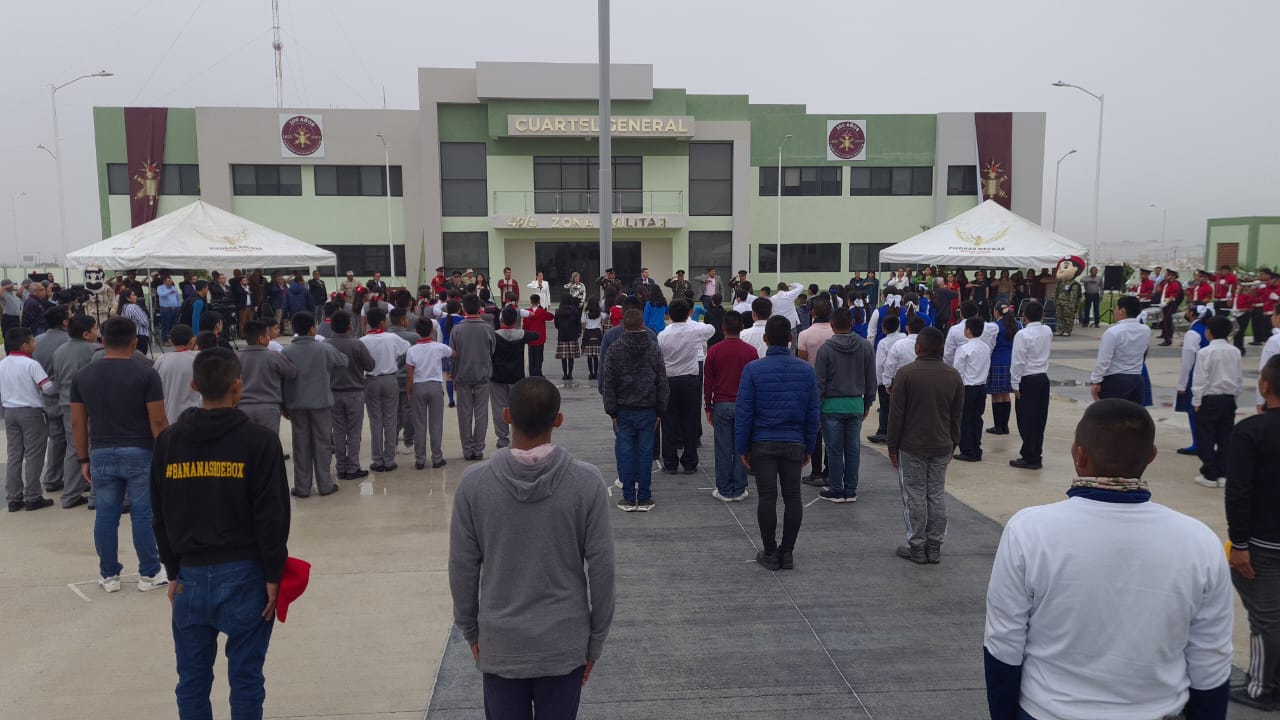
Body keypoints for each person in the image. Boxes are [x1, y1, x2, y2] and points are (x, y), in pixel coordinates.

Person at [984, 399, 1232, 720]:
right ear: (1152, 456)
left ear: (1079, 455)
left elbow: (1004, 642)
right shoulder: (1199, 541)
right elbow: (1211, 659)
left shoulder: (1029, 530)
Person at [449, 377, 614, 719]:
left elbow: (462, 568)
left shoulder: (474, 485)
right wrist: (595, 640)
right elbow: (602, 570)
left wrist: (471, 630)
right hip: (563, 642)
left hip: (501, 642)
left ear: (506, 415)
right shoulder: (586, 483)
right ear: (559, 420)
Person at [151, 347, 291, 719]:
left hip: (190, 575)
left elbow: (160, 513)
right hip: (246, 574)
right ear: (238, 386)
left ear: (195, 386)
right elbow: (272, 516)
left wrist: (173, 570)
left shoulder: (169, 442)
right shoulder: (261, 441)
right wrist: (273, 575)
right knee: (246, 677)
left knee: (192, 680)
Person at [70, 316, 169, 592]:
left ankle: (108, 574)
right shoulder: (146, 374)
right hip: (140, 451)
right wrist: (167, 453)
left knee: (105, 515)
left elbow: (78, 423)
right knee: (143, 514)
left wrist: (83, 458)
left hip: (101, 451)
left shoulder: (83, 376)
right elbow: (158, 421)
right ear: (134, 342)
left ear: (102, 341)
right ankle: (150, 572)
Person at [736, 316, 819, 570]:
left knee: (767, 497)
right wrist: (809, 446)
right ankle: (788, 552)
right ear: (791, 338)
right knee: (793, 497)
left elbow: (744, 412)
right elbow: (813, 412)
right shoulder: (806, 371)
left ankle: (770, 552)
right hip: (794, 441)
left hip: (762, 441)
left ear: (765, 339)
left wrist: (742, 447)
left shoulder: (753, 370)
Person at [1226, 354, 1280, 709]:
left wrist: (1240, 543)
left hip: (1263, 541)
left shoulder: (1251, 431)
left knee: (1266, 619)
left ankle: (1261, 688)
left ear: (1264, 385)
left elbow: (1239, 491)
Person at [886, 327, 962, 564]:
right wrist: (954, 442)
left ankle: (917, 545)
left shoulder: (906, 374)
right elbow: (957, 415)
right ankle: (934, 546)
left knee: (915, 494)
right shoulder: (953, 375)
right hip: (942, 444)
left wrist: (892, 445)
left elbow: (895, 415)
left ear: (918, 347)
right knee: (936, 494)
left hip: (912, 445)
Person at [601, 308, 668, 512]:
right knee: (646, 454)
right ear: (642, 325)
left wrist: (612, 411)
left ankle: (629, 497)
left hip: (623, 410)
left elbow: (608, 383)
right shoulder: (654, 348)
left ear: (623, 325)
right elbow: (662, 381)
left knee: (626, 453)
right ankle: (645, 496)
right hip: (648, 409)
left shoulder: (614, 350)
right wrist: (661, 411)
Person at [814, 307, 877, 503]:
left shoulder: (825, 350)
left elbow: (819, 383)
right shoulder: (865, 347)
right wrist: (867, 402)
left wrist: (817, 408)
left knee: (834, 450)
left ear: (831, 325)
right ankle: (851, 490)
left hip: (831, 406)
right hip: (855, 404)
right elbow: (871, 379)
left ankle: (836, 489)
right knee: (853, 449)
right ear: (852, 323)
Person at [281, 312, 347, 498]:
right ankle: (325, 484)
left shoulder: (286, 352)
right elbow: (343, 361)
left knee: (300, 445)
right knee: (323, 444)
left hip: (296, 404)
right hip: (321, 403)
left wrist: (283, 404)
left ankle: (302, 487)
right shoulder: (324, 348)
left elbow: (281, 378)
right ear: (312, 329)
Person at [657, 298, 715, 475]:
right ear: (688, 313)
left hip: (670, 380)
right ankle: (690, 462)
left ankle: (670, 462)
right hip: (690, 379)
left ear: (669, 315)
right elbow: (711, 329)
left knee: (669, 422)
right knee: (690, 420)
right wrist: (692, 321)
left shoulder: (663, 335)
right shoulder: (694, 330)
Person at [703, 311, 756, 502]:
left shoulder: (714, 351)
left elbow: (708, 382)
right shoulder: (750, 351)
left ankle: (724, 488)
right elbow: (755, 382)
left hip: (721, 404)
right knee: (742, 446)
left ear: (723, 328)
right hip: (744, 405)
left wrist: (708, 407)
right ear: (742, 327)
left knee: (723, 448)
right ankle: (740, 487)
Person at [2, 328, 55, 512]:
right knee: (34, 454)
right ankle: (33, 496)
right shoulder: (31, 364)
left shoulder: (3, 364)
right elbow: (47, 388)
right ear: (24, 345)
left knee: (14, 455)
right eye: (32, 341)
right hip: (31, 412)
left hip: (9, 412)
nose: (35, 344)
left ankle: (14, 498)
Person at [50, 314, 98, 508]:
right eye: (95, 329)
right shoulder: (94, 350)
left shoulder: (59, 351)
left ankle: (71, 493)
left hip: (65, 403)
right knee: (93, 446)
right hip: (88, 404)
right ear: (86, 334)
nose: (97, 332)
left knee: (74, 448)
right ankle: (95, 494)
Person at [1191, 315, 1242, 489]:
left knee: (1205, 436)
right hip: (1228, 398)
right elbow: (1238, 378)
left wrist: (1196, 400)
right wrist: (1235, 398)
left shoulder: (1205, 352)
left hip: (1209, 398)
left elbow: (1200, 379)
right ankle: (1223, 473)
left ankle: (1210, 473)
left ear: (1209, 332)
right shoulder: (1235, 351)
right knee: (1225, 437)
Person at [359, 306, 411, 473]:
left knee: (376, 421)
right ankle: (389, 459)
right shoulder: (391, 337)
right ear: (382, 322)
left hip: (371, 381)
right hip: (390, 379)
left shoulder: (362, 341)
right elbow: (406, 347)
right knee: (390, 419)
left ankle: (377, 459)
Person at [325, 311, 375, 480]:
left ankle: (340, 467)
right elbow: (370, 365)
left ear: (331, 326)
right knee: (354, 431)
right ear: (349, 325)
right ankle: (353, 467)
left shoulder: (325, 345)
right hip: (355, 392)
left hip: (333, 393)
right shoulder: (357, 344)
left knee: (338, 431)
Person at [451, 294, 497, 461]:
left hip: (462, 375)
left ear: (463, 308)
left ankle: (467, 449)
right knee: (481, 413)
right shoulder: (487, 328)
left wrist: (453, 376)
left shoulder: (457, 329)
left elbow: (452, 355)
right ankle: (478, 449)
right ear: (479, 308)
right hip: (482, 375)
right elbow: (492, 351)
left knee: (464, 414)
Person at [1009, 302, 1052, 471]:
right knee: (1039, 419)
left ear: (1024, 316)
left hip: (1027, 379)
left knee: (1026, 419)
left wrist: (1014, 383)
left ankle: (1030, 455)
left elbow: (1018, 361)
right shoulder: (1047, 330)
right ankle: (1035, 453)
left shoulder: (1022, 335)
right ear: (1042, 315)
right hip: (1042, 378)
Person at [405, 317, 453, 470]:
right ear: (432, 330)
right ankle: (437, 458)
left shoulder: (411, 350)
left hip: (418, 386)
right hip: (435, 386)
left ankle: (420, 459)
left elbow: (409, 375)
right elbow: (453, 353)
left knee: (419, 424)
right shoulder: (439, 347)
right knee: (436, 424)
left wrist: (409, 392)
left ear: (416, 331)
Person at [490, 306, 540, 451]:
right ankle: (518, 434)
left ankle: (502, 437)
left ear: (501, 319)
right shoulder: (522, 334)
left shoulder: (494, 336)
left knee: (499, 407)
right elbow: (536, 335)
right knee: (517, 407)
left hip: (497, 377)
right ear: (515, 320)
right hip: (517, 377)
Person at [796, 298, 835, 483]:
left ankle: (816, 471)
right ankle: (829, 470)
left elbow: (803, 363)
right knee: (832, 431)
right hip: (834, 387)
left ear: (813, 313)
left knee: (814, 430)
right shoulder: (836, 333)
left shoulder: (804, 334)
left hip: (812, 387)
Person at [33, 306, 69, 495]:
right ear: (65, 322)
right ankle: (74, 479)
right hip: (67, 396)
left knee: (55, 438)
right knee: (74, 439)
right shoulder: (69, 341)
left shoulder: (36, 341)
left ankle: (52, 478)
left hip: (46, 396)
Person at [238, 320, 297, 434]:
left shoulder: (237, 357)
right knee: (269, 441)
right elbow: (292, 372)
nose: (269, 338)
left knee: (247, 441)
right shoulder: (273, 356)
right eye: (267, 336)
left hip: (243, 407)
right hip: (269, 407)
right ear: (261, 339)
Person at [1089, 295, 1150, 404]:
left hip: (1116, 379)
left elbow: (1104, 360)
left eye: (1116, 308)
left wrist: (1095, 381)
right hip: (1137, 378)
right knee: (1133, 413)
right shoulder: (1145, 330)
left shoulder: (1113, 332)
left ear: (1122, 311)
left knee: (1113, 413)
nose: (1114, 311)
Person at [950, 317, 994, 463]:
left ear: (968, 330)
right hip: (981, 386)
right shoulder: (985, 347)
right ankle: (976, 447)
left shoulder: (964, 349)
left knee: (965, 419)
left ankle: (968, 450)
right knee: (977, 418)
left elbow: (958, 371)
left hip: (967, 387)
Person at [153, 324, 201, 424]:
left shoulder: (161, 360)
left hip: (169, 417)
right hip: (194, 417)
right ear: (192, 340)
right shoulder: (198, 358)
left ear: (170, 341)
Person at [867, 315, 904, 444]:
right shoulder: (904, 339)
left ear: (884, 328)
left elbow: (880, 364)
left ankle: (883, 431)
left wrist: (880, 382)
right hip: (903, 378)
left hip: (888, 378)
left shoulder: (883, 343)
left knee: (885, 407)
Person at [985, 305, 1020, 436]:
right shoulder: (1018, 324)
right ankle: (1005, 426)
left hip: (998, 360)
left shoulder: (995, 326)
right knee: (1006, 394)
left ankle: (998, 426)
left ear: (996, 312)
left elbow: (990, 345)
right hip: (1012, 361)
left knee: (996, 394)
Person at [554, 297, 582, 380]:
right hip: (572, 335)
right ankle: (570, 374)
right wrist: (578, 332)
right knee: (571, 357)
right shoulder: (574, 310)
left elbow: (556, 324)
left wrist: (561, 328)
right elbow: (578, 323)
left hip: (562, 335)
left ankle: (565, 374)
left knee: (563, 357)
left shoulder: (558, 311)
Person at [1158, 269, 1184, 346]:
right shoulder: (1166, 284)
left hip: (1170, 304)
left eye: (1167, 275)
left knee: (1167, 321)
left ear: (1172, 276)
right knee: (1164, 321)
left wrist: (1166, 303)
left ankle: (1168, 340)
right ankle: (1166, 337)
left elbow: (1173, 296)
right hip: (1164, 303)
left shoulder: (1175, 284)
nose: (1165, 276)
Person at [157, 275, 182, 345]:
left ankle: (174, 340)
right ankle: (165, 340)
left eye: (171, 281)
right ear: (164, 281)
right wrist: (169, 291)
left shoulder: (174, 288)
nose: (170, 282)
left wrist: (179, 306)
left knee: (175, 325)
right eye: (168, 281)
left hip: (175, 309)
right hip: (165, 309)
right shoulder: (160, 287)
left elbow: (177, 298)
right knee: (166, 325)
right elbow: (160, 294)